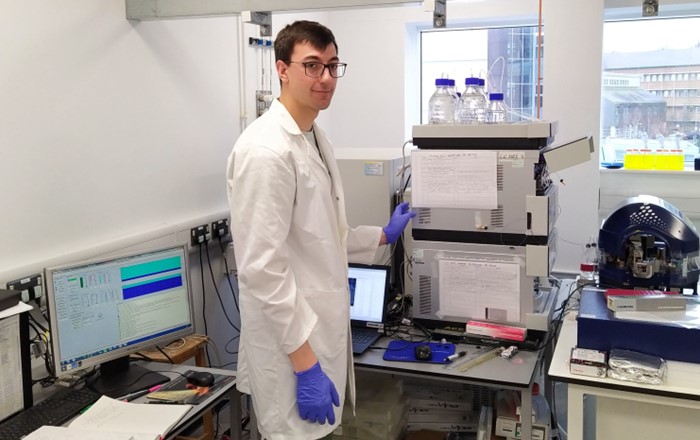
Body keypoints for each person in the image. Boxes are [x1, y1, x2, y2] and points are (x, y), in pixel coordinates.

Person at [226, 20, 415, 440]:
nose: (326, 77)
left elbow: (325, 234)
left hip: (316, 338)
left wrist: (383, 235)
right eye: (312, 65)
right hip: (291, 354)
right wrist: (305, 363)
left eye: (332, 65)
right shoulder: (265, 152)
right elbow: (262, 272)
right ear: (282, 69)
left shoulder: (314, 137)